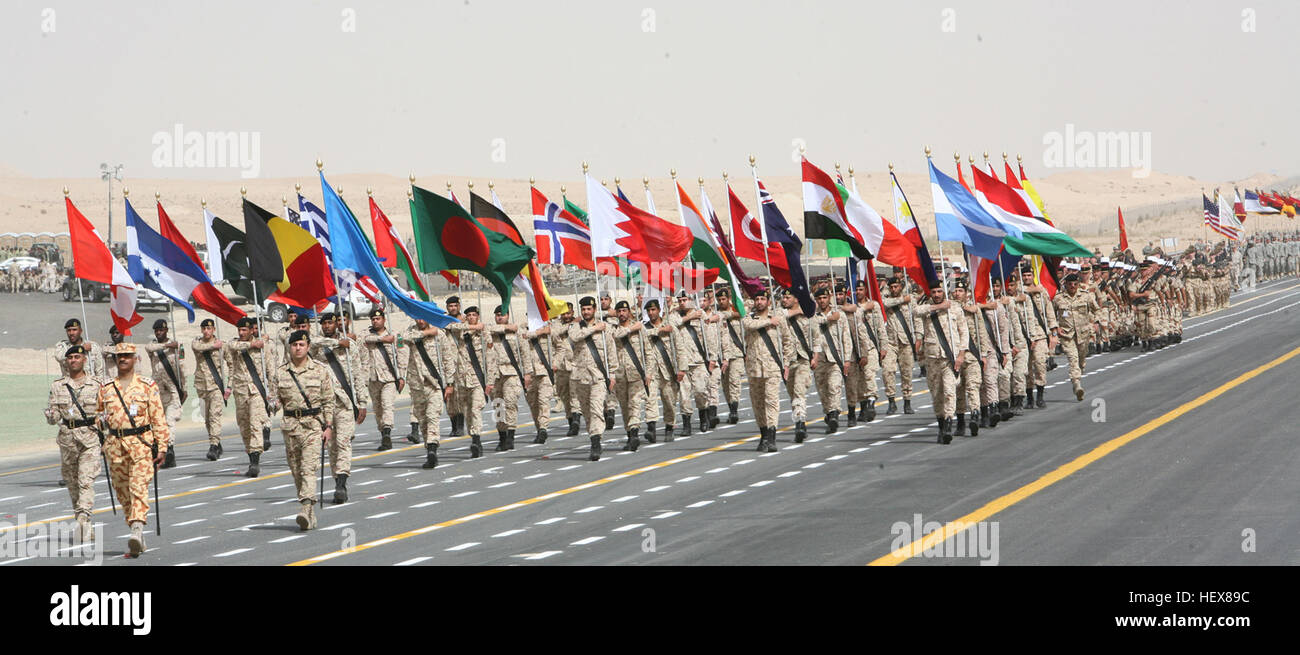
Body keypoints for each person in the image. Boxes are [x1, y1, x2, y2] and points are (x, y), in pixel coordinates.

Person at [96, 342, 169, 556]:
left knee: (138, 488)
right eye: (119, 356)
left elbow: (158, 418)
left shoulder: (147, 386)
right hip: (115, 447)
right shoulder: (106, 387)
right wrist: (101, 420)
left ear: (135, 358)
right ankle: (137, 534)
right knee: (123, 493)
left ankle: (137, 529)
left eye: (127, 355)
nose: (123, 359)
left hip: (141, 445)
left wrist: (162, 446)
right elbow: (98, 415)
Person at [273, 330, 334, 531]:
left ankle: (306, 506)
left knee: (308, 468)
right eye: (294, 345)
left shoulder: (320, 370)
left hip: (313, 425)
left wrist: (328, 426)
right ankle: (309, 513)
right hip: (291, 426)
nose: (297, 348)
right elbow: (275, 399)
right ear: (289, 347)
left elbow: (328, 400)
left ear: (308, 347)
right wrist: (271, 403)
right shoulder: (280, 372)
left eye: (301, 344)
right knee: (296, 471)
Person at [44, 345, 102, 543]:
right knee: (72, 483)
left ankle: (84, 516)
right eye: (70, 358)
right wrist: (50, 416)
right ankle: (84, 523)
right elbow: (54, 416)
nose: (73, 360)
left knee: (86, 480)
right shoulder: (57, 386)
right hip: (68, 440)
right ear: (66, 362)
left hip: (90, 439)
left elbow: (104, 411)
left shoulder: (96, 384)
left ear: (84, 359)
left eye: (77, 357)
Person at [313, 312, 369, 499]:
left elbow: (357, 375)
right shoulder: (317, 346)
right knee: (331, 447)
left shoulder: (349, 347)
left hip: (345, 402)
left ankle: (342, 483)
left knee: (344, 443)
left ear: (337, 325)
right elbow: (310, 344)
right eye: (325, 323)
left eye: (331, 323)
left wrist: (362, 403)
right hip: (324, 404)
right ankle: (336, 478)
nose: (328, 326)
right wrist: (337, 343)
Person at [913, 284, 969, 444]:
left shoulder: (955, 308)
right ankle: (941, 424)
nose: (937, 294)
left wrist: (961, 354)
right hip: (932, 359)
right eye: (934, 292)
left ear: (944, 291)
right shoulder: (926, 308)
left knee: (950, 391)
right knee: (937, 394)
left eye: (939, 291)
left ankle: (948, 426)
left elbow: (964, 332)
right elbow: (915, 311)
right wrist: (937, 306)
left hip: (950, 358)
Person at [568, 296, 616, 460]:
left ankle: (596, 442)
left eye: (589, 309)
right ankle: (593, 436)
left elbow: (611, 352)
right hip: (580, 376)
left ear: (594, 309)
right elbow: (574, 338)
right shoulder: (575, 327)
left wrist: (613, 374)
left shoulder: (606, 328)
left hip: (598, 376)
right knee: (587, 412)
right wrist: (594, 329)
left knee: (596, 409)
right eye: (584, 309)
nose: (586, 312)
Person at [224, 316, 273, 476]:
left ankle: (255, 461)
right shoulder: (235, 344)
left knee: (254, 423)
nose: (241, 332)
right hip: (240, 391)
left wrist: (272, 392)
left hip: (256, 391)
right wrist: (252, 344)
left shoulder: (262, 347)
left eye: (244, 330)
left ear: (252, 330)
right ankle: (250, 452)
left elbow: (270, 370)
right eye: (239, 330)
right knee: (244, 426)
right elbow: (231, 346)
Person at [743, 287, 785, 452]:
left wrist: (786, 363)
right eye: (757, 299)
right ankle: (763, 434)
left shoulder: (778, 318)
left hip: (772, 366)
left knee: (771, 401)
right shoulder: (749, 318)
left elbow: (787, 340)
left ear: (768, 301)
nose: (759, 302)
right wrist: (769, 322)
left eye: (762, 299)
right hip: (754, 368)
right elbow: (749, 325)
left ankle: (772, 436)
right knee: (758, 403)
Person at [449, 306, 494, 458]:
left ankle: (476, 440)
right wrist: (469, 325)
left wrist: (490, 381)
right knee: (467, 411)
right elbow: (448, 325)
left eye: (474, 315)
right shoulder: (461, 331)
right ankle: (473, 436)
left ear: (478, 316)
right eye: (468, 315)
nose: (471, 317)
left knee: (475, 409)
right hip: (461, 380)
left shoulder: (484, 333)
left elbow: (490, 358)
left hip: (477, 379)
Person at [362, 307, 406, 450]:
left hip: (389, 378)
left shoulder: (396, 335)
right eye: (373, 319)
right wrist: (382, 339)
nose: (375, 321)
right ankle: (383, 435)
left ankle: (387, 431)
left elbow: (402, 356)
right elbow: (363, 340)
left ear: (384, 320)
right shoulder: (366, 335)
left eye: (378, 319)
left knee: (387, 405)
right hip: (373, 378)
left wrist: (401, 377)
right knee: (378, 409)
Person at [668, 293, 711, 436]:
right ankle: (687, 424)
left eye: (684, 300)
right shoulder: (674, 315)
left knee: (701, 391)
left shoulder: (701, 314)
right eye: (679, 300)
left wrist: (712, 358)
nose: (682, 303)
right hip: (682, 363)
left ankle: (704, 417)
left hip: (698, 360)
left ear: (691, 300)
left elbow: (708, 337)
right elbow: (673, 325)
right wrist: (689, 318)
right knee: (684, 396)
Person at [143, 319, 184, 468]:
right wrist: (168, 345)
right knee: (156, 422)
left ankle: (170, 450)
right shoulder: (154, 346)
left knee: (169, 420)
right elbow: (149, 348)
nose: (159, 333)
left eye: (161, 330)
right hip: (157, 391)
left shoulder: (177, 346)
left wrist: (183, 389)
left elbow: (182, 367)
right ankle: (160, 451)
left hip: (173, 389)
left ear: (166, 331)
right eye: (157, 330)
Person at [1053, 273, 1100, 401]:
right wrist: (1056, 327)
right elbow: (1050, 315)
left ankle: (1077, 377)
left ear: (1078, 284)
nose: (1072, 286)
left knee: (1081, 361)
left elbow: (1097, 310)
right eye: (1070, 284)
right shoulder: (1058, 298)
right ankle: (1077, 384)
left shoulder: (1086, 296)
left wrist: (1095, 322)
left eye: (1075, 284)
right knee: (1073, 359)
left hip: (1083, 334)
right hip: (1067, 335)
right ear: (1065, 285)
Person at [610, 300, 649, 451]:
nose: (622, 314)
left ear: (629, 312)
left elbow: (648, 351)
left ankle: (634, 433)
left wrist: (649, 372)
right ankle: (629, 434)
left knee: (634, 403)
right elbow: (616, 336)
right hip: (620, 375)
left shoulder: (640, 329)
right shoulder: (613, 329)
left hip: (636, 373)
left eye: (624, 311)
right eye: (619, 311)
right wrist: (632, 328)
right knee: (625, 406)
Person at [488, 306, 528, 451]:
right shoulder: (490, 331)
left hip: (511, 371)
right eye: (497, 315)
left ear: (508, 315)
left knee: (510, 403)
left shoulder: (517, 333)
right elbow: (486, 329)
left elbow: (525, 353)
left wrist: (527, 373)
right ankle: (502, 436)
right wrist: (506, 328)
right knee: (498, 406)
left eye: (502, 315)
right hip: (494, 374)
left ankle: (510, 436)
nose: (500, 318)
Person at [777, 288, 814, 442]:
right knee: (793, 393)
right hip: (787, 361)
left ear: (796, 299)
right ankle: (801, 422)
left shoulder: (807, 315)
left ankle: (799, 422)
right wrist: (797, 312)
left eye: (788, 297)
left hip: (803, 359)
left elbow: (816, 336)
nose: (784, 300)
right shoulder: (779, 312)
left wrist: (815, 356)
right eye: (783, 297)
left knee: (799, 391)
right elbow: (778, 317)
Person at [810, 287, 849, 434]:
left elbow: (846, 338)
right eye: (819, 298)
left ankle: (834, 414)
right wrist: (828, 319)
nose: (822, 301)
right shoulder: (813, 316)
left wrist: (846, 359)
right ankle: (828, 412)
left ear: (829, 298)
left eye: (824, 298)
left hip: (835, 357)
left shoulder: (839, 315)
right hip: (819, 358)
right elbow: (813, 324)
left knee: (834, 386)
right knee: (822, 390)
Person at [191, 318, 228, 461]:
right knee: (206, 418)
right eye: (204, 328)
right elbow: (197, 348)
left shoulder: (222, 345)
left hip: (216, 386)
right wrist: (213, 346)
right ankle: (217, 442)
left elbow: (230, 363)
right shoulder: (197, 342)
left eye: (209, 328)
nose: (206, 331)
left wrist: (229, 386)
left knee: (214, 416)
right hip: (201, 386)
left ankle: (213, 446)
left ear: (213, 330)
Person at [642, 299, 678, 442]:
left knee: (669, 400)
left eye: (653, 310)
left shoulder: (670, 325)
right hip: (651, 371)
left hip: (668, 369)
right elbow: (643, 334)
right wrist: (660, 331)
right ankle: (651, 429)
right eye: (648, 311)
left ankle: (669, 426)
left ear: (659, 310)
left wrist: (681, 369)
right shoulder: (644, 328)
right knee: (650, 400)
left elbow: (679, 347)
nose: (651, 313)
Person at [880, 277, 917, 414]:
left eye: (896, 286)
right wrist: (902, 300)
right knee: (887, 371)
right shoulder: (887, 299)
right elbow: (884, 304)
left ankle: (907, 401)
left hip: (906, 342)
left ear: (901, 286)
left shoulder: (910, 299)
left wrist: (918, 337)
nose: (894, 289)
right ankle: (891, 401)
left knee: (906, 373)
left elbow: (916, 318)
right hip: (890, 342)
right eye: (892, 287)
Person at [521, 319, 556, 444]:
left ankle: (543, 428)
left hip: (544, 372)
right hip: (529, 374)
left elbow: (561, 346)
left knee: (543, 401)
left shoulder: (551, 329)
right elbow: (523, 336)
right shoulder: (523, 328)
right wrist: (540, 331)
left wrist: (556, 362)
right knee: (533, 404)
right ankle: (539, 428)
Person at [714, 289, 746, 425]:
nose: (721, 302)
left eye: (724, 299)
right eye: (719, 300)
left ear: (728, 299)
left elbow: (743, 315)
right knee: (725, 385)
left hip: (737, 353)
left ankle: (734, 411)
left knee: (734, 382)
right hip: (722, 354)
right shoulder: (716, 315)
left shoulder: (737, 310)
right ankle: (730, 407)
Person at [551, 302, 580, 437]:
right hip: (561, 366)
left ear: (573, 312)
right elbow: (554, 333)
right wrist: (569, 326)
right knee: (564, 395)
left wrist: (574, 325)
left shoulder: (579, 324)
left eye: (569, 313)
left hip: (575, 364)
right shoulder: (556, 324)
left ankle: (576, 420)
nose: (566, 316)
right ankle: (570, 419)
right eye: (564, 314)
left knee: (574, 394)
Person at [443, 296, 466, 438]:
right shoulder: (443, 321)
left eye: (455, 306)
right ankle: (453, 426)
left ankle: (460, 426)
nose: (453, 308)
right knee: (449, 398)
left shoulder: (466, 320)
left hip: (462, 364)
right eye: (450, 306)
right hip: (447, 364)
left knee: (460, 396)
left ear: (459, 306)